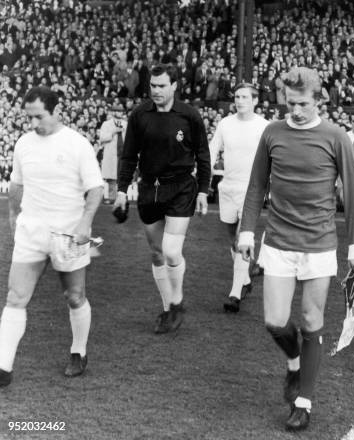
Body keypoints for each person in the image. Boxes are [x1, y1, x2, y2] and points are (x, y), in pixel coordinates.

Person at [237, 67, 354, 431]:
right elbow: (256, 184)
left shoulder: (335, 136)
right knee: (275, 321)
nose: (295, 110)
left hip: (319, 243)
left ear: (319, 100)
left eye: (303, 104)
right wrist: (247, 231)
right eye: (290, 103)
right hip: (278, 240)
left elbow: (353, 193)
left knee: (311, 320)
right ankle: (293, 360)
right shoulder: (272, 133)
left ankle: (304, 401)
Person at [0, 86, 104, 386]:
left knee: (74, 296)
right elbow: (17, 184)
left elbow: (95, 188)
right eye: (29, 117)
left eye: (39, 117)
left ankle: (78, 350)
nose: (33, 124)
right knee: (15, 297)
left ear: (58, 111)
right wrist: (12, 215)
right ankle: (3, 367)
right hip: (31, 231)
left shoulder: (77, 144)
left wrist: (85, 222)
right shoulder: (23, 144)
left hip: (67, 234)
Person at [114, 64, 210, 334]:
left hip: (181, 188)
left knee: (170, 251)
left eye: (161, 86)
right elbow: (129, 154)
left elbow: (203, 154)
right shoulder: (140, 114)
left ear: (175, 86)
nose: (155, 91)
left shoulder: (190, 116)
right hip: (149, 189)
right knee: (157, 253)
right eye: (153, 86)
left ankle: (177, 301)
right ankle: (168, 308)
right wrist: (122, 189)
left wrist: (203, 190)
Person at [208, 83, 269, 313]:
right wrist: (206, 177)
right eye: (237, 96)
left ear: (255, 101)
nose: (240, 100)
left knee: (242, 237)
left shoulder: (264, 126)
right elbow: (213, 149)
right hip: (228, 189)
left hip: (251, 190)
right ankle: (245, 279)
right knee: (233, 241)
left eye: (245, 97)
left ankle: (235, 293)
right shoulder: (225, 124)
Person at [98, 103, 126, 204]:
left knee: (122, 176)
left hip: (123, 153)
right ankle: (112, 197)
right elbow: (102, 138)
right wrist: (113, 132)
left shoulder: (126, 124)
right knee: (112, 178)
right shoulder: (106, 124)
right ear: (113, 112)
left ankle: (122, 199)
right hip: (112, 153)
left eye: (121, 111)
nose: (119, 113)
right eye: (117, 111)